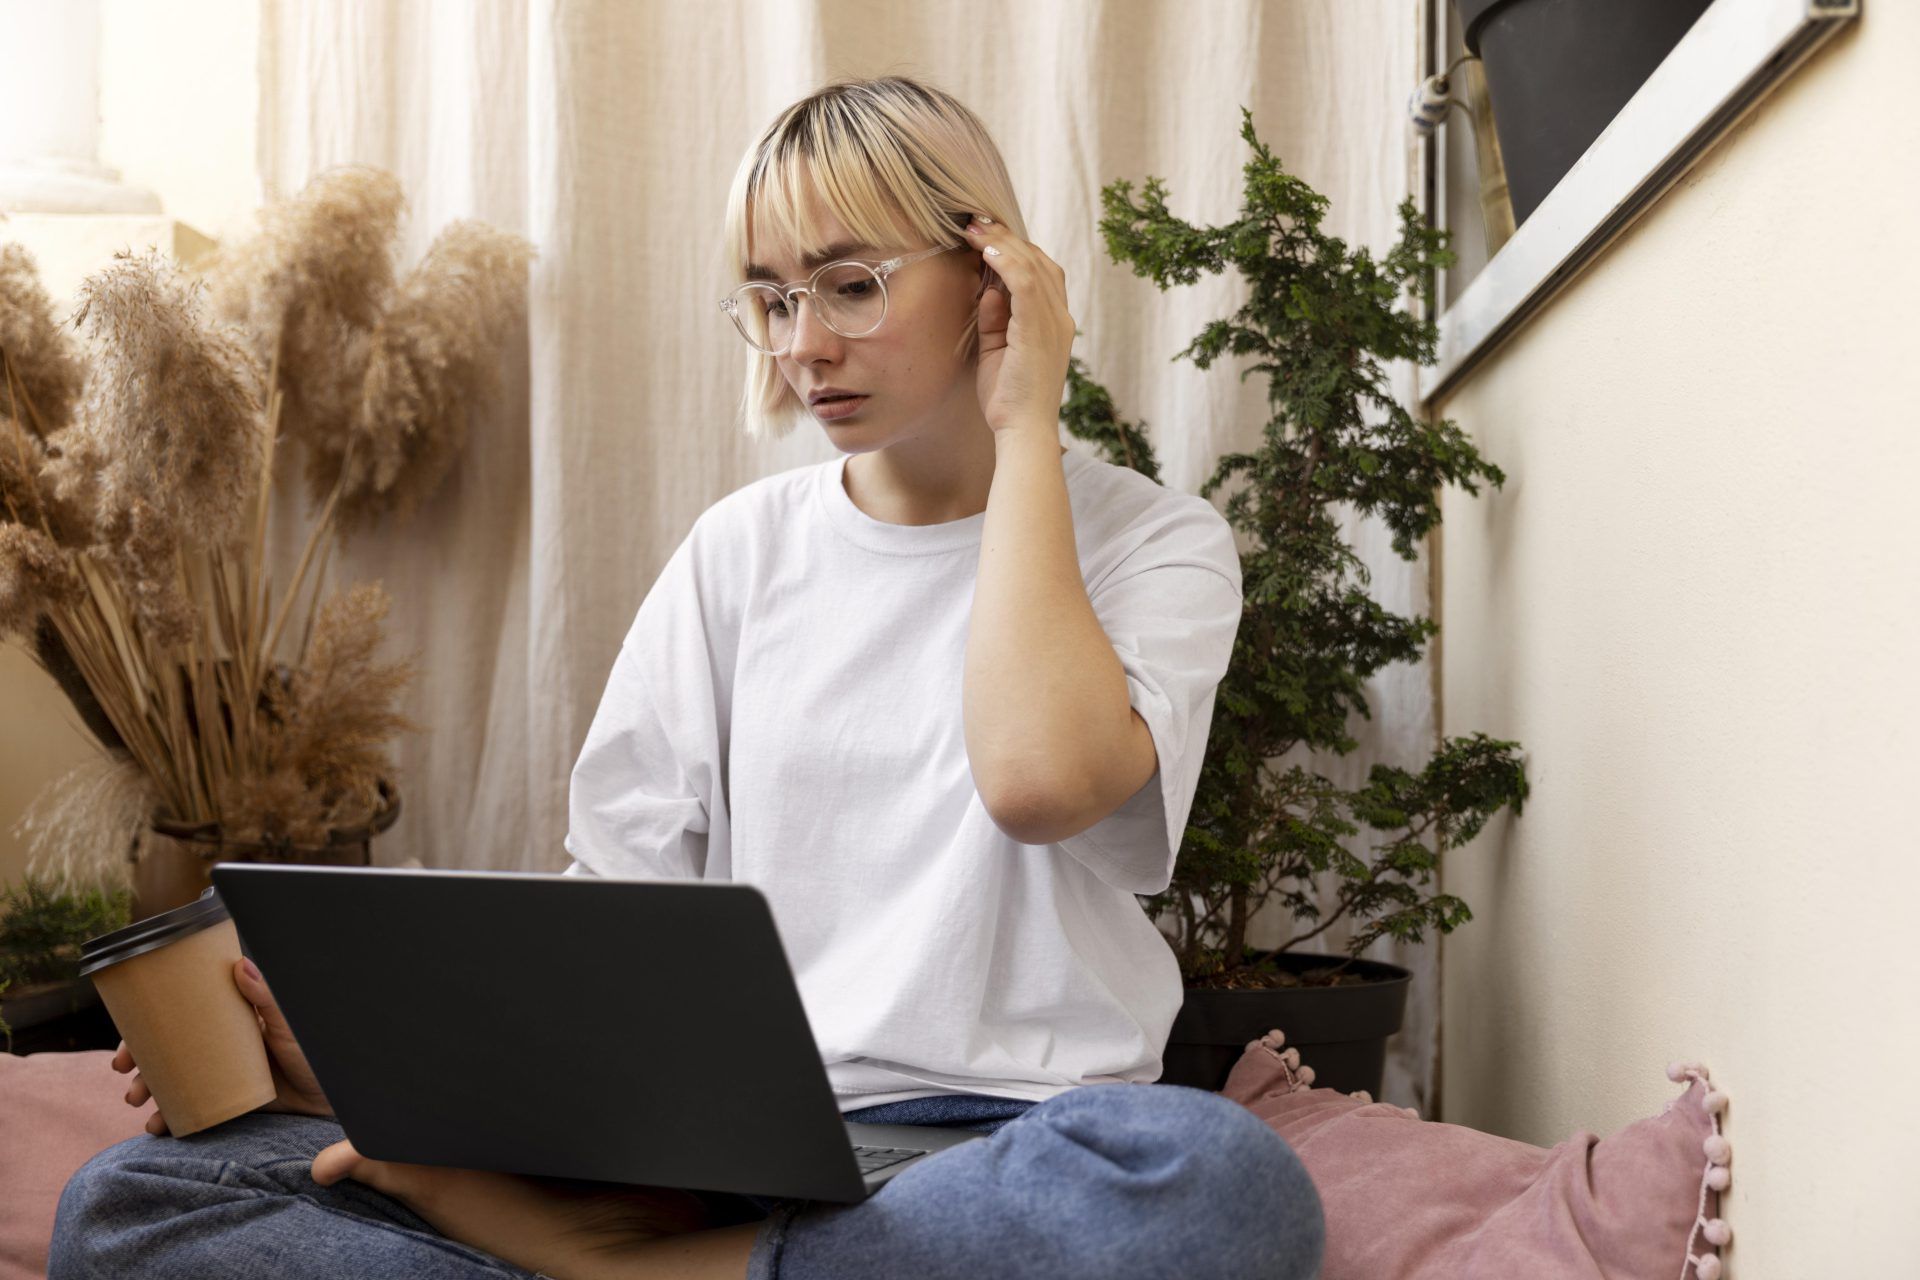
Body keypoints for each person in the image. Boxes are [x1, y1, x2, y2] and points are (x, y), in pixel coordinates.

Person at [49, 75, 1325, 1280]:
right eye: (772, 297)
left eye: (852, 284)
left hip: (1004, 1145)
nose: (804, 344)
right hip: (713, 1157)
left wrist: (1026, 422)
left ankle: (607, 1271)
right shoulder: (737, 554)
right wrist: (350, 1080)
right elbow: (616, 930)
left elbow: (1042, 781)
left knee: (1214, 1178)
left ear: (992, 276)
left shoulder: (1156, 542)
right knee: (129, 1204)